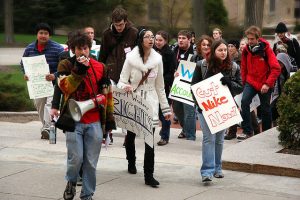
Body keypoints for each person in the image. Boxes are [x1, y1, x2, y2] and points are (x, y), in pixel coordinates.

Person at [57, 30, 115, 200]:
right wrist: (79, 70)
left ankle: (87, 194)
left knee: (90, 162)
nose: (83, 52)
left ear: (89, 48)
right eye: (79, 49)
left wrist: (109, 121)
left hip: (94, 120)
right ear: (73, 49)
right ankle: (72, 181)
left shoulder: (100, 67)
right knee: (76, 159)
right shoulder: (66, 65)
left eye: (85, 48)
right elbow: (65, 87)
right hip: (73, 121)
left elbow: (107, 95)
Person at [117, 29, 172, 187]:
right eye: (147, 36)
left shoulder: (158, 59)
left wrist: (166, 109)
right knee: (132, 135)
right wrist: (125, 86)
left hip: (151, 101)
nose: (151, 39)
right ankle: (131, 162)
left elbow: (160, 86)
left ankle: (149, 174)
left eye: (152, 37)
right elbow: (121, 81)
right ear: (141, 40)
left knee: (150, 140)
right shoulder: (131, 58)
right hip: (134, 99)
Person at [191, 39, 243, 182]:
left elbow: (240, 86)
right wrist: (199, 103)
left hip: (223, 107)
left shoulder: (233, 67)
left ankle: (217, 168)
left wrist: (229, 83)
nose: (223, 52)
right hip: (204, 108)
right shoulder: (202, 65)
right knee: (209, 138)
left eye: (225, 50)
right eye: (220, 50)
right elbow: (194, 87)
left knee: (219, 139)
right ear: (213, 51)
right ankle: (207, 171)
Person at [99, 7, 138, 145]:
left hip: (127, 75)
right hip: (110, 71)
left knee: (126, 106)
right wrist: (100, 72)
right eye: (116, 25)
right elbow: (102, 54)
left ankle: (128, 137)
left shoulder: (134, 33)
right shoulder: (106, 34)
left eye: (121, 24)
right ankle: (107, 133)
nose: (119, 27)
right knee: (110, 104)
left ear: (126, 22)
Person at [20, 22, 64, 139]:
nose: (43, 35)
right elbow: (23, 63)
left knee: (50, 104)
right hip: (37, 85)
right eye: (41, 33)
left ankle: (47, 128)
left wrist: (54, 75)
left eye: (46, 33)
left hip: (54, 84)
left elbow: (65, 66)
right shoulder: (30, 49)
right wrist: (25, 74)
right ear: (37, 34)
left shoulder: (57, 49)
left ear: (49, 35)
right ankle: (46, 127)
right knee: (39, 105)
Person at [238, 26, 281, 140]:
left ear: (258, 38)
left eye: (252, 39)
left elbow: (276, 68)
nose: (250, 41)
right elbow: (243, 67)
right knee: (244, 101)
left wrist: (267, 84)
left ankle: (265, 134)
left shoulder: (266, 50)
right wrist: (244, 82)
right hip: (251, 82)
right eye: (248, 39)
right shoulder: (246, 51)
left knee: (265, 109)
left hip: (265, 83)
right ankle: (247, 131)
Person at [172, 30, 196, 141]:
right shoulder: (174, 50)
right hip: (177, 84)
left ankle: (190, 136)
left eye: (183, 38)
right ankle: (185, 129)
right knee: (176, 109)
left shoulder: (195, 52)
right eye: (179, 38)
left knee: (189, 111)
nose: (180, 40)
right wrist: (173, 71)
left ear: (189, 39)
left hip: (190, 85)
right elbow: (170, 65)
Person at [154, 30, 177, 146]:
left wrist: (160, 80)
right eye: (156, 39)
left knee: (165, 111)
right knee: (155, 111)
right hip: (151, 86)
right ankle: (162, 130)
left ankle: (165, 136)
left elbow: (172, 72)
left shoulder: (169, 53)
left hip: (164, 86)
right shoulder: (151, 50)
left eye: (160, 40)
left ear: (166, 41)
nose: (157, 42)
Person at [271, 53, 292, 126]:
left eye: (280, 62)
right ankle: (275, 126)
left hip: (290, 95)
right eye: (277, 62)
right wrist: (274, 97)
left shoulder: (293, 70)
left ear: (285, 61)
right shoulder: (278, 71)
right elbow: (277, 85)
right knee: (273, 107)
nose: (278, 64)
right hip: (280, 93)